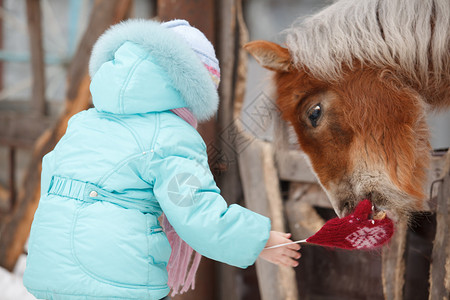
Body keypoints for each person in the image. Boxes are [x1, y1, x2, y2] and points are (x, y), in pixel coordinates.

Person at [23, 19, 300, 300]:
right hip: (118, 278)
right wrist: (260, 240)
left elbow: (51, 178)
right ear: (190, 87)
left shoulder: (83, 123)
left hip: (48, 266)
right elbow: (196, 212)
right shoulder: (171, 136)